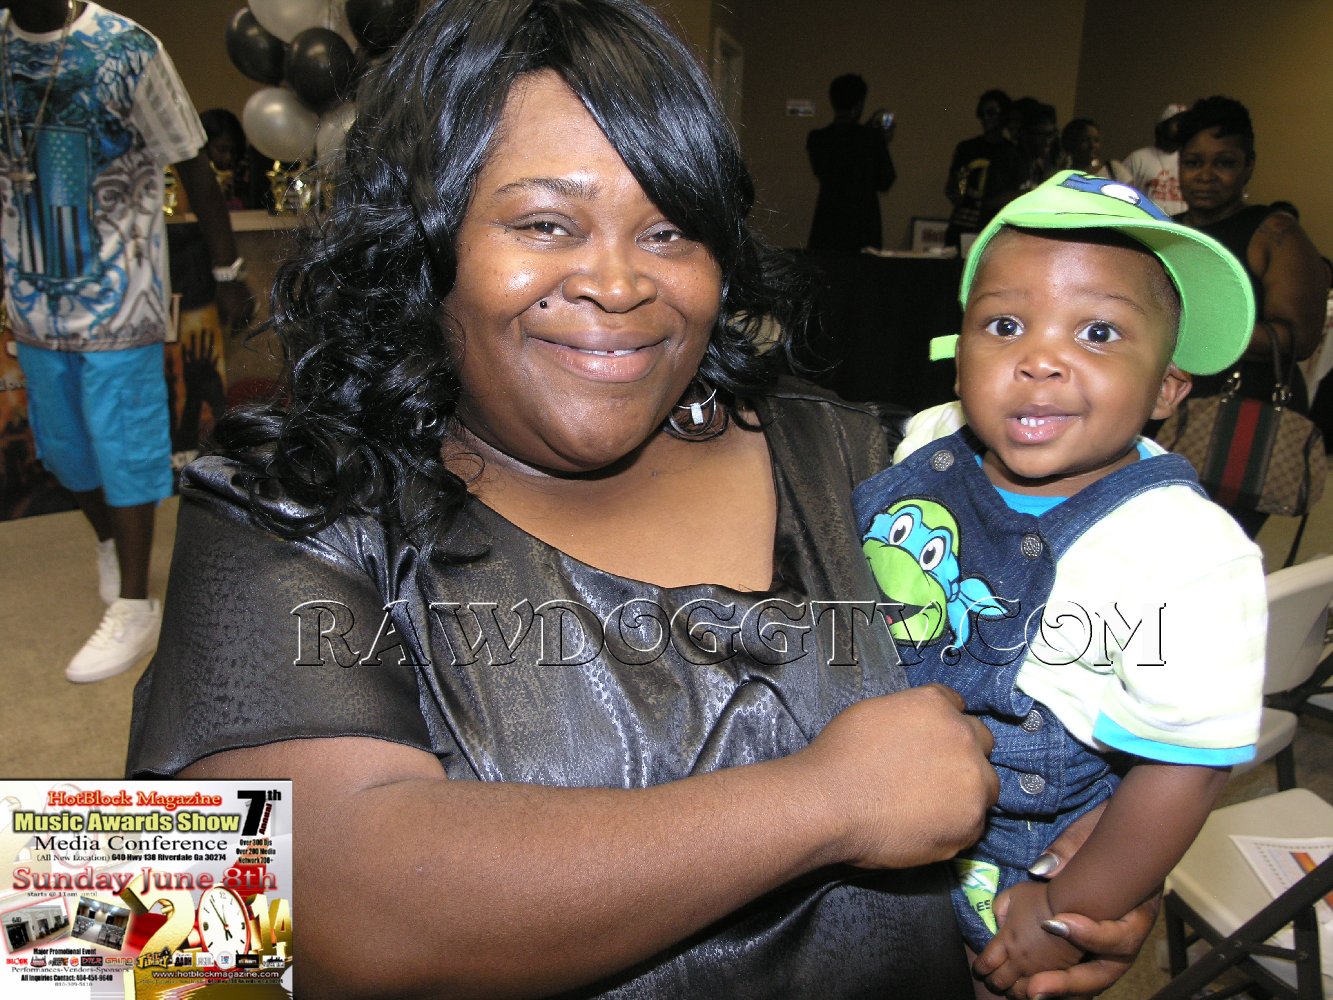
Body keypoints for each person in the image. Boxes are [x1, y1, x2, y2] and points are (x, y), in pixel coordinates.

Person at [126, 2, 1157, 996]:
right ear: (423, 241)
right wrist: (828, 802)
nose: (618, 285)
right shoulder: (279, 504)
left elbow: (1049, 701)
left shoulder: (866, 461)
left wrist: (1071, 876)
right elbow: (243, 917)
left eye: (669, 232)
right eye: (544, 222)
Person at [854, 171, 1265, 995]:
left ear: (1167, 388)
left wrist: (1066, 909)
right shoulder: (928, 440)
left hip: (1005, 871)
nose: (1038, 359)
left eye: (1098, 333)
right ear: (958, 353)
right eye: (1004, 325)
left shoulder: (1184, 551)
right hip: (861, 798)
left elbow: (1184, 766)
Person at [0, 0, 250, 682]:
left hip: (121, 293)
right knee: (64, 447)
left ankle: (137, 605)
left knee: (124, 445)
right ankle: (111, 541)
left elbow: (192, 163)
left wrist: (227, 271)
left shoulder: (127, 49)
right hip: (34, 301)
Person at [1174, 95, 1328, 536]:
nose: (1205, 176)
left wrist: (1193, 329)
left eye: (1223, 163)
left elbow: (1298, 338)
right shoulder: (1169, 230)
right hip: (1166, 409)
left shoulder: (1274, 232)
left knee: (1210, 543)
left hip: (1240, 418)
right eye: (1193, 163)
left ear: (1248, 166)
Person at [805, 73, 896, 253]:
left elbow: (822, 170)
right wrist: (881, 141)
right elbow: (886, 180)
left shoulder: (818, 138)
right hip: (863, 228)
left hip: (827, 224)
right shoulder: (871, 139)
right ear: (860, 103)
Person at [944, 88, 1024, 250]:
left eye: (991, 112)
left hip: (995, 228)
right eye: (981, 113)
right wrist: (959, 192)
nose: (985, 118)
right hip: (962, 225)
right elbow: (956, 184)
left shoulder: (1012, 153)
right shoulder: (967, 148)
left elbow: (1016, 193)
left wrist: (990, 202)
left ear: (1004, 115)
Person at [1122, 103, 1189, 216]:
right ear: (1162, 127)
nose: (1182, 128)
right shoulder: (1137, 159)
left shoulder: (1189, 161)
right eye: (1177, 123)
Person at [1058, 117, 1129, 182]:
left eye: (1096, 140)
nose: (1092, 145)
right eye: (1085, 140)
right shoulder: (1063, 177)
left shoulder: (1114, 169)